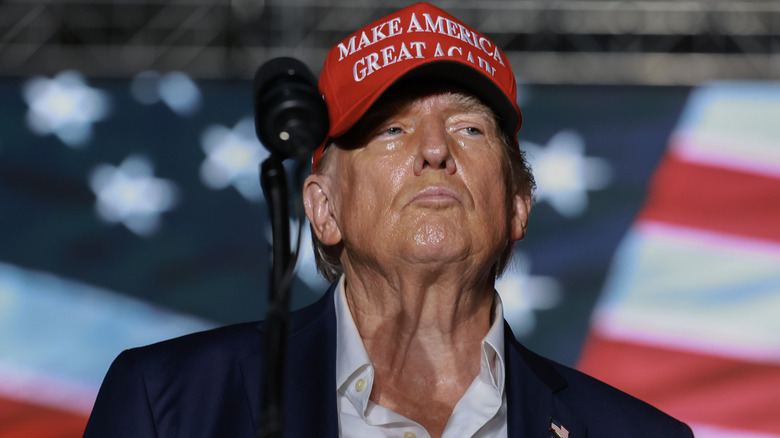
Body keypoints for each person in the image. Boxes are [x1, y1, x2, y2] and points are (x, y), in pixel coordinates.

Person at [84, 3, 695, 437]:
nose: (435, 150)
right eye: (391, 129)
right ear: (325, 208)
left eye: (469, 128)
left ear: (517, 206)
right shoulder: (166, 405)